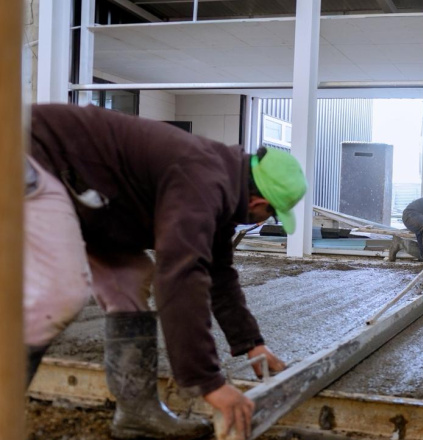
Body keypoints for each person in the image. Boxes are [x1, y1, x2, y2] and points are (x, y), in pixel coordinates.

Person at [24, 104, 307, 439]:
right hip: (33, 151)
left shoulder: (219, 184)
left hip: (86, 191)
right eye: (269, 217)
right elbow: (180, 277)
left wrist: (251, 343)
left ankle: (137, 414)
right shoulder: (201, 182)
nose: (262, 223)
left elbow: (218, 275)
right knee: (59, 293)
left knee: (129, 276)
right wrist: (208, 382)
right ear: (259, 204)